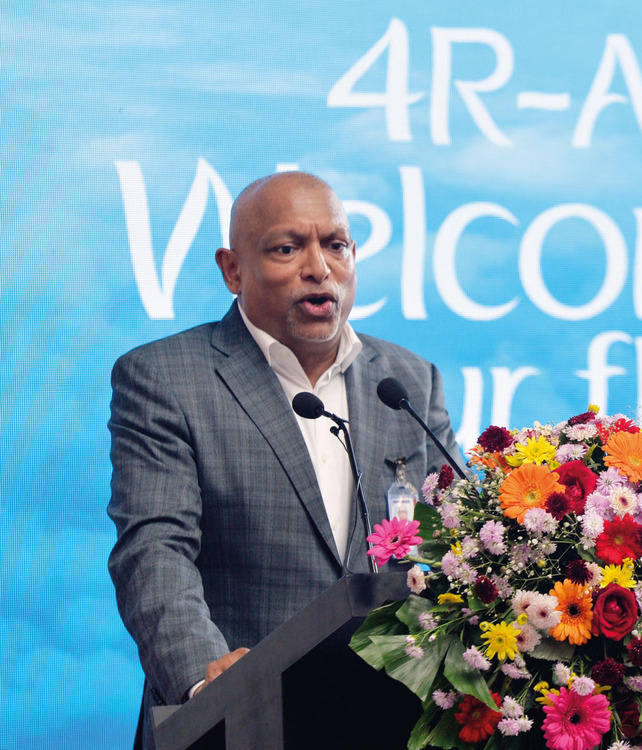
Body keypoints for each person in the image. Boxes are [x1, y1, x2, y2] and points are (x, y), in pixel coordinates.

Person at [107, 171, 461, 748]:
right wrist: (205, 675)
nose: (319, 268)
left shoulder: (408, 382)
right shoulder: (165, 378)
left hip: (389, 720)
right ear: (233, 270)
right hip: (241, 720)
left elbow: (453, 543)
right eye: (287, 249)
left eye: (336, 245)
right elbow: (155, 549)